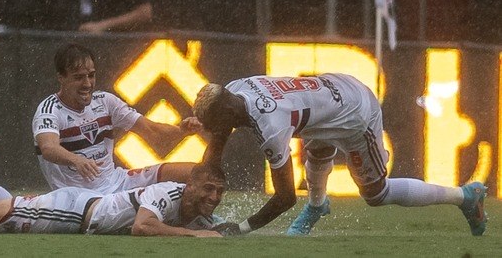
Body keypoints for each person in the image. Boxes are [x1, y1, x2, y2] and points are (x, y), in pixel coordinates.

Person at [192, 73, 488, 236]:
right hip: (330, 94)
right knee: (317, 154)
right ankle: (318, 207)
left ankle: (465, 196)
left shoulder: (271, 125)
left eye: (213, 123)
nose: (212, 130)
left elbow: (285, 197)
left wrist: (240, 229)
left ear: (229, 112)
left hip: (355, 113)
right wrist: (197, 195)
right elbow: (216, 146)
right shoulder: (234, 89)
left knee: (376, 194)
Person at [33, 43, 203, 194]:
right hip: (81, 198)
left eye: (91, 75)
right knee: (150, 204)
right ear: (61, 78)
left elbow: (152, 130)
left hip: (117, 182)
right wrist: (76, 160)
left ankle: (207, 221)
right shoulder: (49, 110)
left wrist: (182, 130)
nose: (87, 84)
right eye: (78, 77)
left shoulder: (106, 101)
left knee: (197, 173)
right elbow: (48, 148)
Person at [0, 160, 226, 237]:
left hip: (79, 206)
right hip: (72, 213)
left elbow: (220, 229)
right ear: (189, 186)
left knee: (5, 205)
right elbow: (143, 227)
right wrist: (194, 235)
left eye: (219, 191)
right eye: (208, 188)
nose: (214, 196)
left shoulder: (199, 213)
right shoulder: (166, 192)